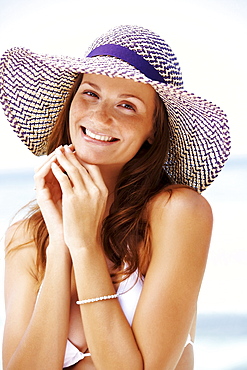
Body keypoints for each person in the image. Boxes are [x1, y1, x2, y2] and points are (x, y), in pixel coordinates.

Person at [0, 25, 230, 369]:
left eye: (127, 105)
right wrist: (61, 241)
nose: (100, 115)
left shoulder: (177, 213)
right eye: (90, 94)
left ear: (153, 128)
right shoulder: (27, 237)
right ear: (71, 102)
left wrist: (85, 245)